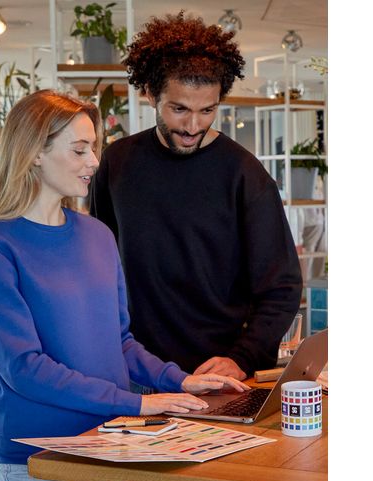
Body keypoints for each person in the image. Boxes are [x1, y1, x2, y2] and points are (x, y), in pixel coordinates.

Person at [0, 89, 249, 481]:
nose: (94, 162)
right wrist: (136, 404)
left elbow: (120, 343)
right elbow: (23, 367)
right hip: (38, 455)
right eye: (79, 150)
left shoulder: (97, 235)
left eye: (93, 148)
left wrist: (181, 381)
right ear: (35, 153)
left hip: (109, 442)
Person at [90, 12, 303, 382]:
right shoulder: (117, 162)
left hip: (218, 377)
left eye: (207, 111)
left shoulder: (245, 174)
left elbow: (281, 286)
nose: (193, 127)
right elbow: (99, 262)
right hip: (137, 373)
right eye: (179, 109)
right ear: (150, 94)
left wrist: (242, 357)